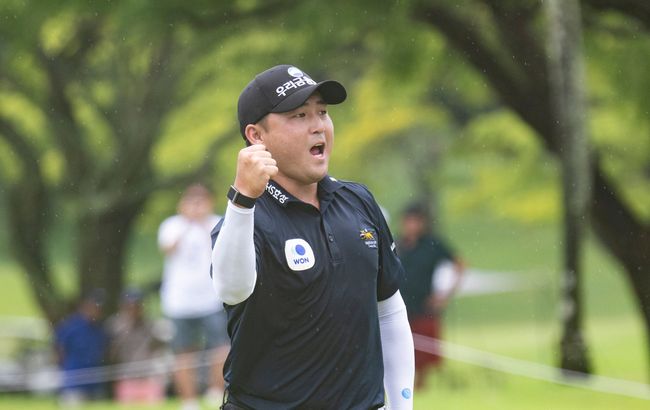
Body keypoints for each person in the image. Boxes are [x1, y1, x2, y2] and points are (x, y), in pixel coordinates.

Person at [210, 64, 414, 410]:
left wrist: (402, 406)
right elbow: (231, 290)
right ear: (256, 136)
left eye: (322, 112)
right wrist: (242, 200)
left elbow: (389, 311)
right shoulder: (244, 218)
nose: (318, 125)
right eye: (299, 115)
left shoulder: (359, 201)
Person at [158, 184, 229, 410]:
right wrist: (189, 224)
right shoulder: (171, 225)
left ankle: (216, 391)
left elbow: (224, 250)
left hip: (212, 298)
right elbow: (168, 249)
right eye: (191, 201)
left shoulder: (217, 222)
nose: (196, 206)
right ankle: (188, 400)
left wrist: (202, 223)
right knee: (183, 351)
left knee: (221, 346)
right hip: (179, 302)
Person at [397, 202, 465, 389]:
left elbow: (460, 265)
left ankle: (420, 385)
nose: (411, 225)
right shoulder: (395, 244)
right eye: (408, 221)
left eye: (415, 221)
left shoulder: (432, 244)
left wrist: (444, 296)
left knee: (424, 350)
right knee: (400, 348)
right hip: (399, 305)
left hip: (424, 305)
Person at [105, 288, 166, 404]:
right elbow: (111, 355)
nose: (133, 309)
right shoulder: (114, 326)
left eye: (137, 305)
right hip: (126, 377)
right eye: (130, 306)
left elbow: (161, 349)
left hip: (149, 377)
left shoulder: (152, 325)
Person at [54, 289, 109, 407]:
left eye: (99, 308)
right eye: (94, 306)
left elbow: (104, 352)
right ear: (85, 306)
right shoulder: (70, 326)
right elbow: (59, 351)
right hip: (74, 384)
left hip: (95, 384)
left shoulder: (101, 329)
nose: (97, 310)